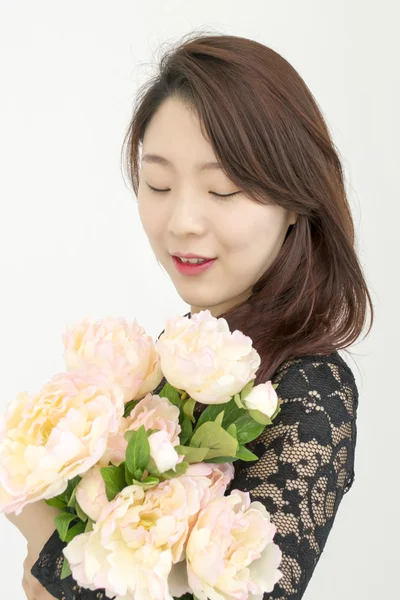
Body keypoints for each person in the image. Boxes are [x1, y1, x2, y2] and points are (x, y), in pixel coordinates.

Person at [16, 31, 373, 599]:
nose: (182, 220)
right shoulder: (163, 363)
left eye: (223, 190)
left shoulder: (311, 392)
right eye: (158, 183)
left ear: (295, 203)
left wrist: (37, 530)